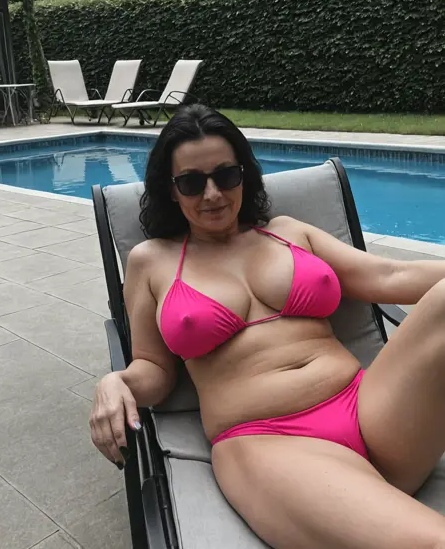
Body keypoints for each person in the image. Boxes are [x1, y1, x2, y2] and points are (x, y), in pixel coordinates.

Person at [90, 104, 445, 549]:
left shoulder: (288, 232)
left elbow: (390, 276)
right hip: (268, 441)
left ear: (244, 174)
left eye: (226, 176)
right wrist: (116, 382)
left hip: (371, 409)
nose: (212, 194)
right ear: (171, 189)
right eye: (192, 182)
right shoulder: (151, 262)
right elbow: (154, 370)